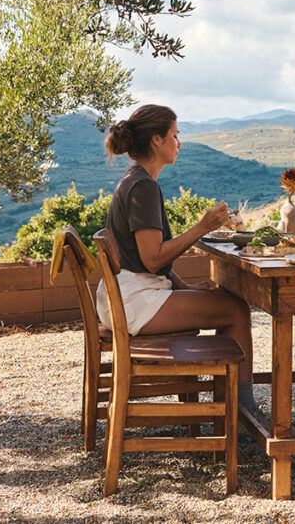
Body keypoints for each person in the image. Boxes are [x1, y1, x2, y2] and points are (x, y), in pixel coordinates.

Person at [97, 104, 259, 415]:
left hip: (125, 295)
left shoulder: (136, 180)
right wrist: (202, 227)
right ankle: (243, 413)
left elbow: (146, 260)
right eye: (175, 135)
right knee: (237, 310)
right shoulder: (143, 187)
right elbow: (153, 259)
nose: (179, 143)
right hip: (134, 302)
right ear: (156, 140)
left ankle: (231, 407)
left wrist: (186, 288)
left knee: (226, 301)